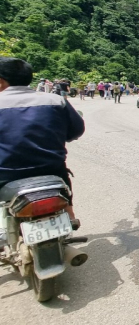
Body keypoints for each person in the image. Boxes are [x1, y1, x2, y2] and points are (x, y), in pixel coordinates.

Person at [0, 58, 85, 229]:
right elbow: (76, 130)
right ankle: (69, 215)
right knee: (63, 178)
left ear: (1, 81)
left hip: (6, 173)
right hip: (50, 169)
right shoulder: (55, 100)